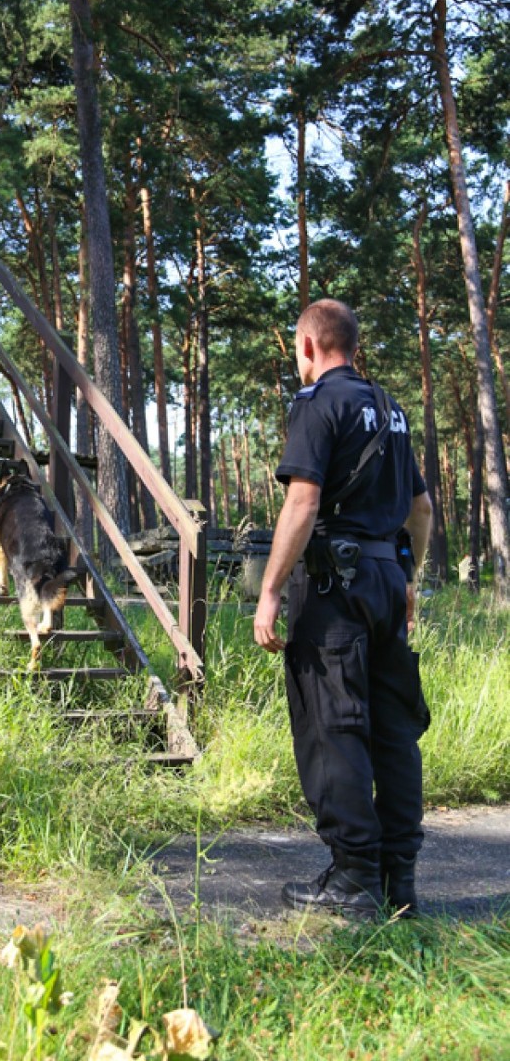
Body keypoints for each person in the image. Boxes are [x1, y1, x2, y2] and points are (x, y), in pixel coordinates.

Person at [254, 299, 433, 916]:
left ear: (308, 347)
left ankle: (355, 879)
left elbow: (303, 504)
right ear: (352, 346)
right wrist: (407, 576)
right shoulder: (393, 410)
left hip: (335, 586)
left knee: (333, 727)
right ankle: (398, 880)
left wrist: (272, 589)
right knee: (394, 728)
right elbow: (423, 511)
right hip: (387, 578)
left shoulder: (316, 405)